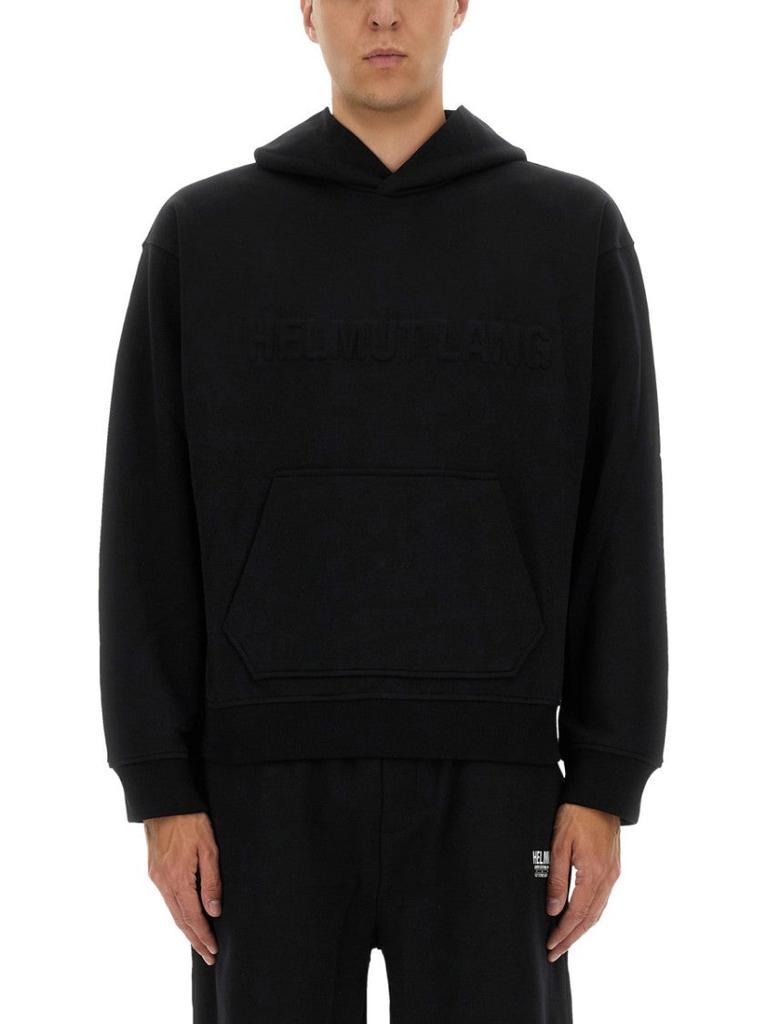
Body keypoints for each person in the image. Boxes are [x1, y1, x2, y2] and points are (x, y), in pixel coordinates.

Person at [98, 2, 668, 1021]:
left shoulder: (568, 232)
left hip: (495, 782)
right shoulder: (205, 235)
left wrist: (605, 776)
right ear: (305, 13)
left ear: (460, 7)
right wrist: (159, 785)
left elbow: (618, 517)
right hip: (258, 788)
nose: (384, 14)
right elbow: (146, 523)